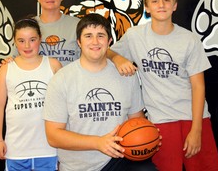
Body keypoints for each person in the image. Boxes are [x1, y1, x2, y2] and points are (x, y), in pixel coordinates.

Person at [107, 0, 218, 171]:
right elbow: (106, 52)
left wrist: (196, 130)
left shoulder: (189, 39)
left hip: (193, 118)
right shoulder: (134, 36)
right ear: (146, 7)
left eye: (166, 0)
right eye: (155, 1)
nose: (161, 5)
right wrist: (117, 57)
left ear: (174, 5)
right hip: (160, 121)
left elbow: (198, 86)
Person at [43, 13, 158, 171]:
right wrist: (97, 142)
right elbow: (53, 136)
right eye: (88, 36)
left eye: (101, 36)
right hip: (78, 166)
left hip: (118, 159)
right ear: (79, 42)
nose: (95, 42)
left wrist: (147, 134)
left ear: (109, 41)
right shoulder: (62, 79)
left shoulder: (126, 75)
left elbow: (136, 120)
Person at [0, 18, 62, 170]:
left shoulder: (53, 65)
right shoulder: (5, 69)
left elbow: (65, 105)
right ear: (14, 42)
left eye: (32, 39)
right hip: (16, 149)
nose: (27, 45)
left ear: (40, 39)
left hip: (48, 149)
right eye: (21, 40)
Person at [7, 0, 80, 66]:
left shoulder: (78, 25)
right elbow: (14, 61)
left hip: (70, 81)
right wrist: (8, 61)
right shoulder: (27, 26)